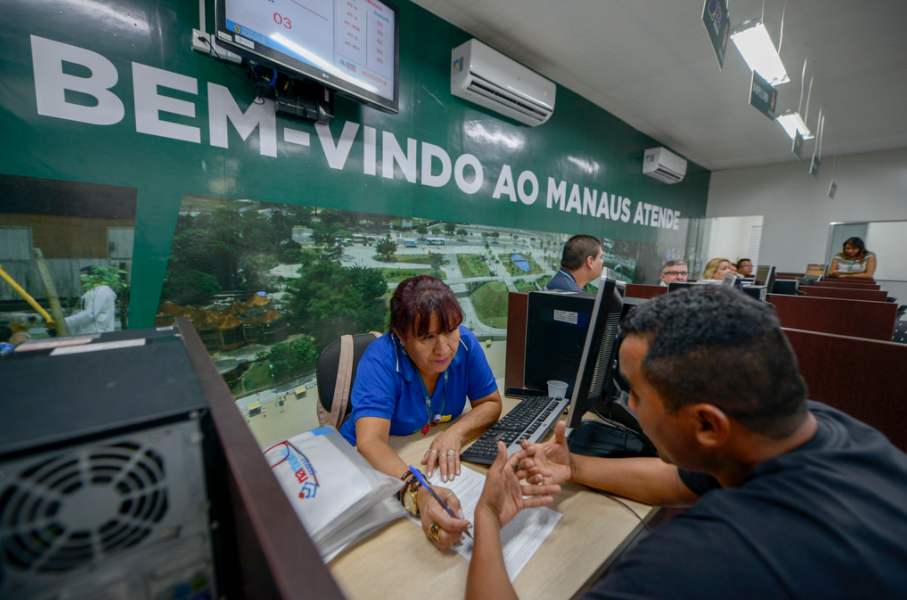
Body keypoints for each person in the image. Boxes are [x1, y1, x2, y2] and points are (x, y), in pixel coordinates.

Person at [466, 285, 907, 600]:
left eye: (636, 393)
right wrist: (575, 466)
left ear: (708, 425)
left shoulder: (701, 562)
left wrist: (486, 516)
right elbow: (682, 481)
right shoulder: (823, 429)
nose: (628, 404)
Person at [338, 275, 502, 550]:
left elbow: (491, 403)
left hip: (414, 452)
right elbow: (370, 442)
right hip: (361, 466)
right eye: (427, 337)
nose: (444, 348)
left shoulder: (465, 344)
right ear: (401, 335)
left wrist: (456, 433)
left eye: (450, 330)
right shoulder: (381, 361)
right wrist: (420, 493)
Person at [65, 266, 117, 334]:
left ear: (93, 277)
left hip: (95, 334)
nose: (81, 280)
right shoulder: (95, 292)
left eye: (83, 277)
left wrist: (64, 322)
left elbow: (90, 313)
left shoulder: (99, 292)